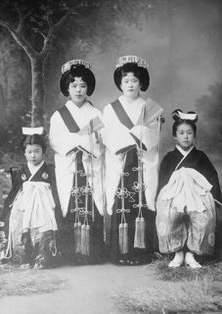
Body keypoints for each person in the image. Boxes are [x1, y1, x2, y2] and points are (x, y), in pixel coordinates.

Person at [102, 55, 164, 265]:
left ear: (141, 83)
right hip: (120, 162)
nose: (130, 84)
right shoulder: (110, 109)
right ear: (120, 83)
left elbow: (153, 136)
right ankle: (120, 253)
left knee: (142, 203)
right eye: (126, 80)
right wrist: (130, 137)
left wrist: (139, 135)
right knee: (121, 203)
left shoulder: (150, 107)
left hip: (142, 160)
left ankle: (141, 253)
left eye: (134, 80)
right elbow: (107, 135)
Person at [49, 59, 106, 265]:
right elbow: (55, 139)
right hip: (70, 165)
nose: (79, 90)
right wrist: (77, 142)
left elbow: (101, 140)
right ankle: (70, 254)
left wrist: (89, 145)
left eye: (82, 85)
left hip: (89, 166)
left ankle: (94, 253)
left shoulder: (96, 113)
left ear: (88, 87)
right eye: (74, 85)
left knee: (92, 204)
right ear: (67, 88)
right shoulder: (59, 115)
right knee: (70, 205)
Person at [156, 109, 222, 268]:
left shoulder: (201, 156)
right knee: (172, 214)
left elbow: (211, 179)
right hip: (174, 197)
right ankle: (178, 253)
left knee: (201, 215)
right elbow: (164, 184)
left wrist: (215, 199)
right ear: (175, 136)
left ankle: (192, 254)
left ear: (195, 136)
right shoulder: (169, 158)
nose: (185, 136)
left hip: (198, 198)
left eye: (189, 133)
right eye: (181, 133)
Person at [0, 128, 60, 269]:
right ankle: (25, 257)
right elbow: (14, 192)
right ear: (25, 153)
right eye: (30, 152)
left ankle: (42, 257)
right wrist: (6, 212)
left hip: (44, 204)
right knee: (19, 222)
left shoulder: (49, 170)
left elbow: (55, 190)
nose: (33, 155)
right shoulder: (22, 171)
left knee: (44, 223)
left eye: (37, 151)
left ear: (43, 152)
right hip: (25, 204)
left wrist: (57, 206)